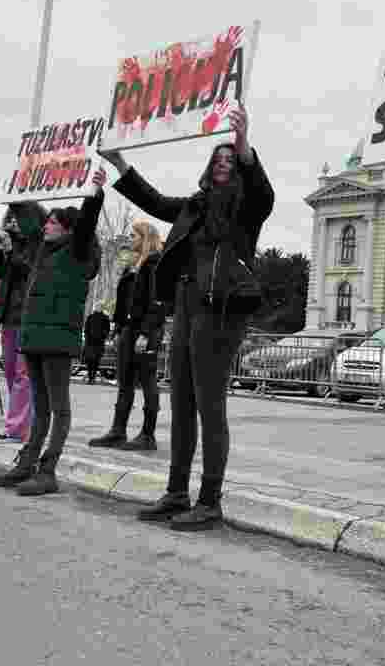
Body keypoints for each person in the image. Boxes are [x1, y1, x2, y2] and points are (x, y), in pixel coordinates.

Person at [99, 106, 274, 531]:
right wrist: (120, 163)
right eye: (217, 158)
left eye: (230, 160)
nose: (223, 163)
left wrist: (243, 141)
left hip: (222, 314)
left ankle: (209, 501)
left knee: (210, 408)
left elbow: (264, 193)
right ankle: (176, 493)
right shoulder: (193, 207)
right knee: (181, 405)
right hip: (185, 311)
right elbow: (154, 200)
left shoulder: (246, 210)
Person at [0, 169, 105, 495]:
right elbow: (28, 222)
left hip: (58, 341)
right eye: (47, 221)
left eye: (53, 223)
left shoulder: (76, 252)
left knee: (58, 408)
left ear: (67, 229)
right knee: (40, 407)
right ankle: (26, 464)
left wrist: (94, 191)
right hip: (36, 338)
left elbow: (88, 222)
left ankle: (48, 469)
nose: (46, 226)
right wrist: (18, 197)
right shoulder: (43, 252)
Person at [88, 220, 166, 452]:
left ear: (145, 238)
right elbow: (125, 301)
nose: (131, 239)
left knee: (148, 381)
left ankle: (147, 435)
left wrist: (146, 332)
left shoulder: (154, 264)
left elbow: (158, 302)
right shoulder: (133, 266)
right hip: (128, 329)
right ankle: (117, 431)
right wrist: (118, 328)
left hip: (146, 330)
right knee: (125, 382)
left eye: (134, 235)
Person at [0, 208, 38, 444]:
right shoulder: (9, 245)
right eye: (9, 218)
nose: (12, 222)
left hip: (26, 315)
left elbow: (28, 271)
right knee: (10, 372)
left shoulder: (35, 244)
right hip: (8, 316)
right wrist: (0, 250)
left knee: (22, 375)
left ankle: (17, 429)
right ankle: (22, 423)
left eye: (17, 218)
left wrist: (11, 252)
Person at [82, 308, 111, 385]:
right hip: (95, 343)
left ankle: (91, 378)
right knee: (94, 361)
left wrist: (87, 337)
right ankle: (92, 378)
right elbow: (107, 330)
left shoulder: (91, 317)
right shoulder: (103, 318)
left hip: (93, 342)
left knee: (92, 361)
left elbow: (86, 329)